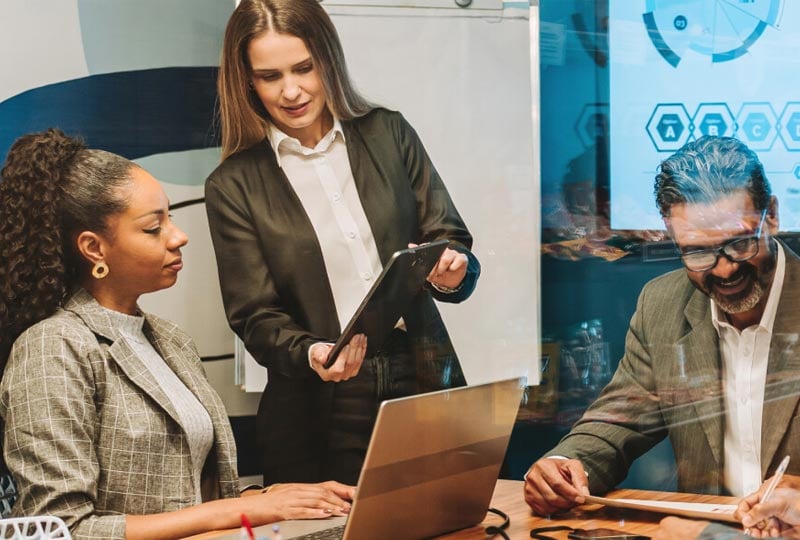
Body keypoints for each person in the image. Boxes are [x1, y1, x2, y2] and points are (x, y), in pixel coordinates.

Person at [0, 129, 354, 540]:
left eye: (171, 217)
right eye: (154, 228)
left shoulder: (170, 340)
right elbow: (65, 529)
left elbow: (182, 496)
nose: (178, 236)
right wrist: (246, 506)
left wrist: (272, 496)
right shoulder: (52, 348)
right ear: (94, 248)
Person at [206, 0, 480, 485]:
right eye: (270, 76)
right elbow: (254, 315)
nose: (291, 90)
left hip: (419, 370)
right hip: (318, 403)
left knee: (447, 520)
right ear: (247, 80)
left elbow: (449, 237)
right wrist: (312, 352)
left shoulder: (388, 132)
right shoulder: (234, 184)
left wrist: (454, 270)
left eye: (304, 68)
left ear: (327, 59)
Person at [525, 135, 800, 516]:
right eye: (698, 252)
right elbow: (616, 421)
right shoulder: (662, 306)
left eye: (739, 243)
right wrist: (567, 464)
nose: (724, 269)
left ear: (771, 215)